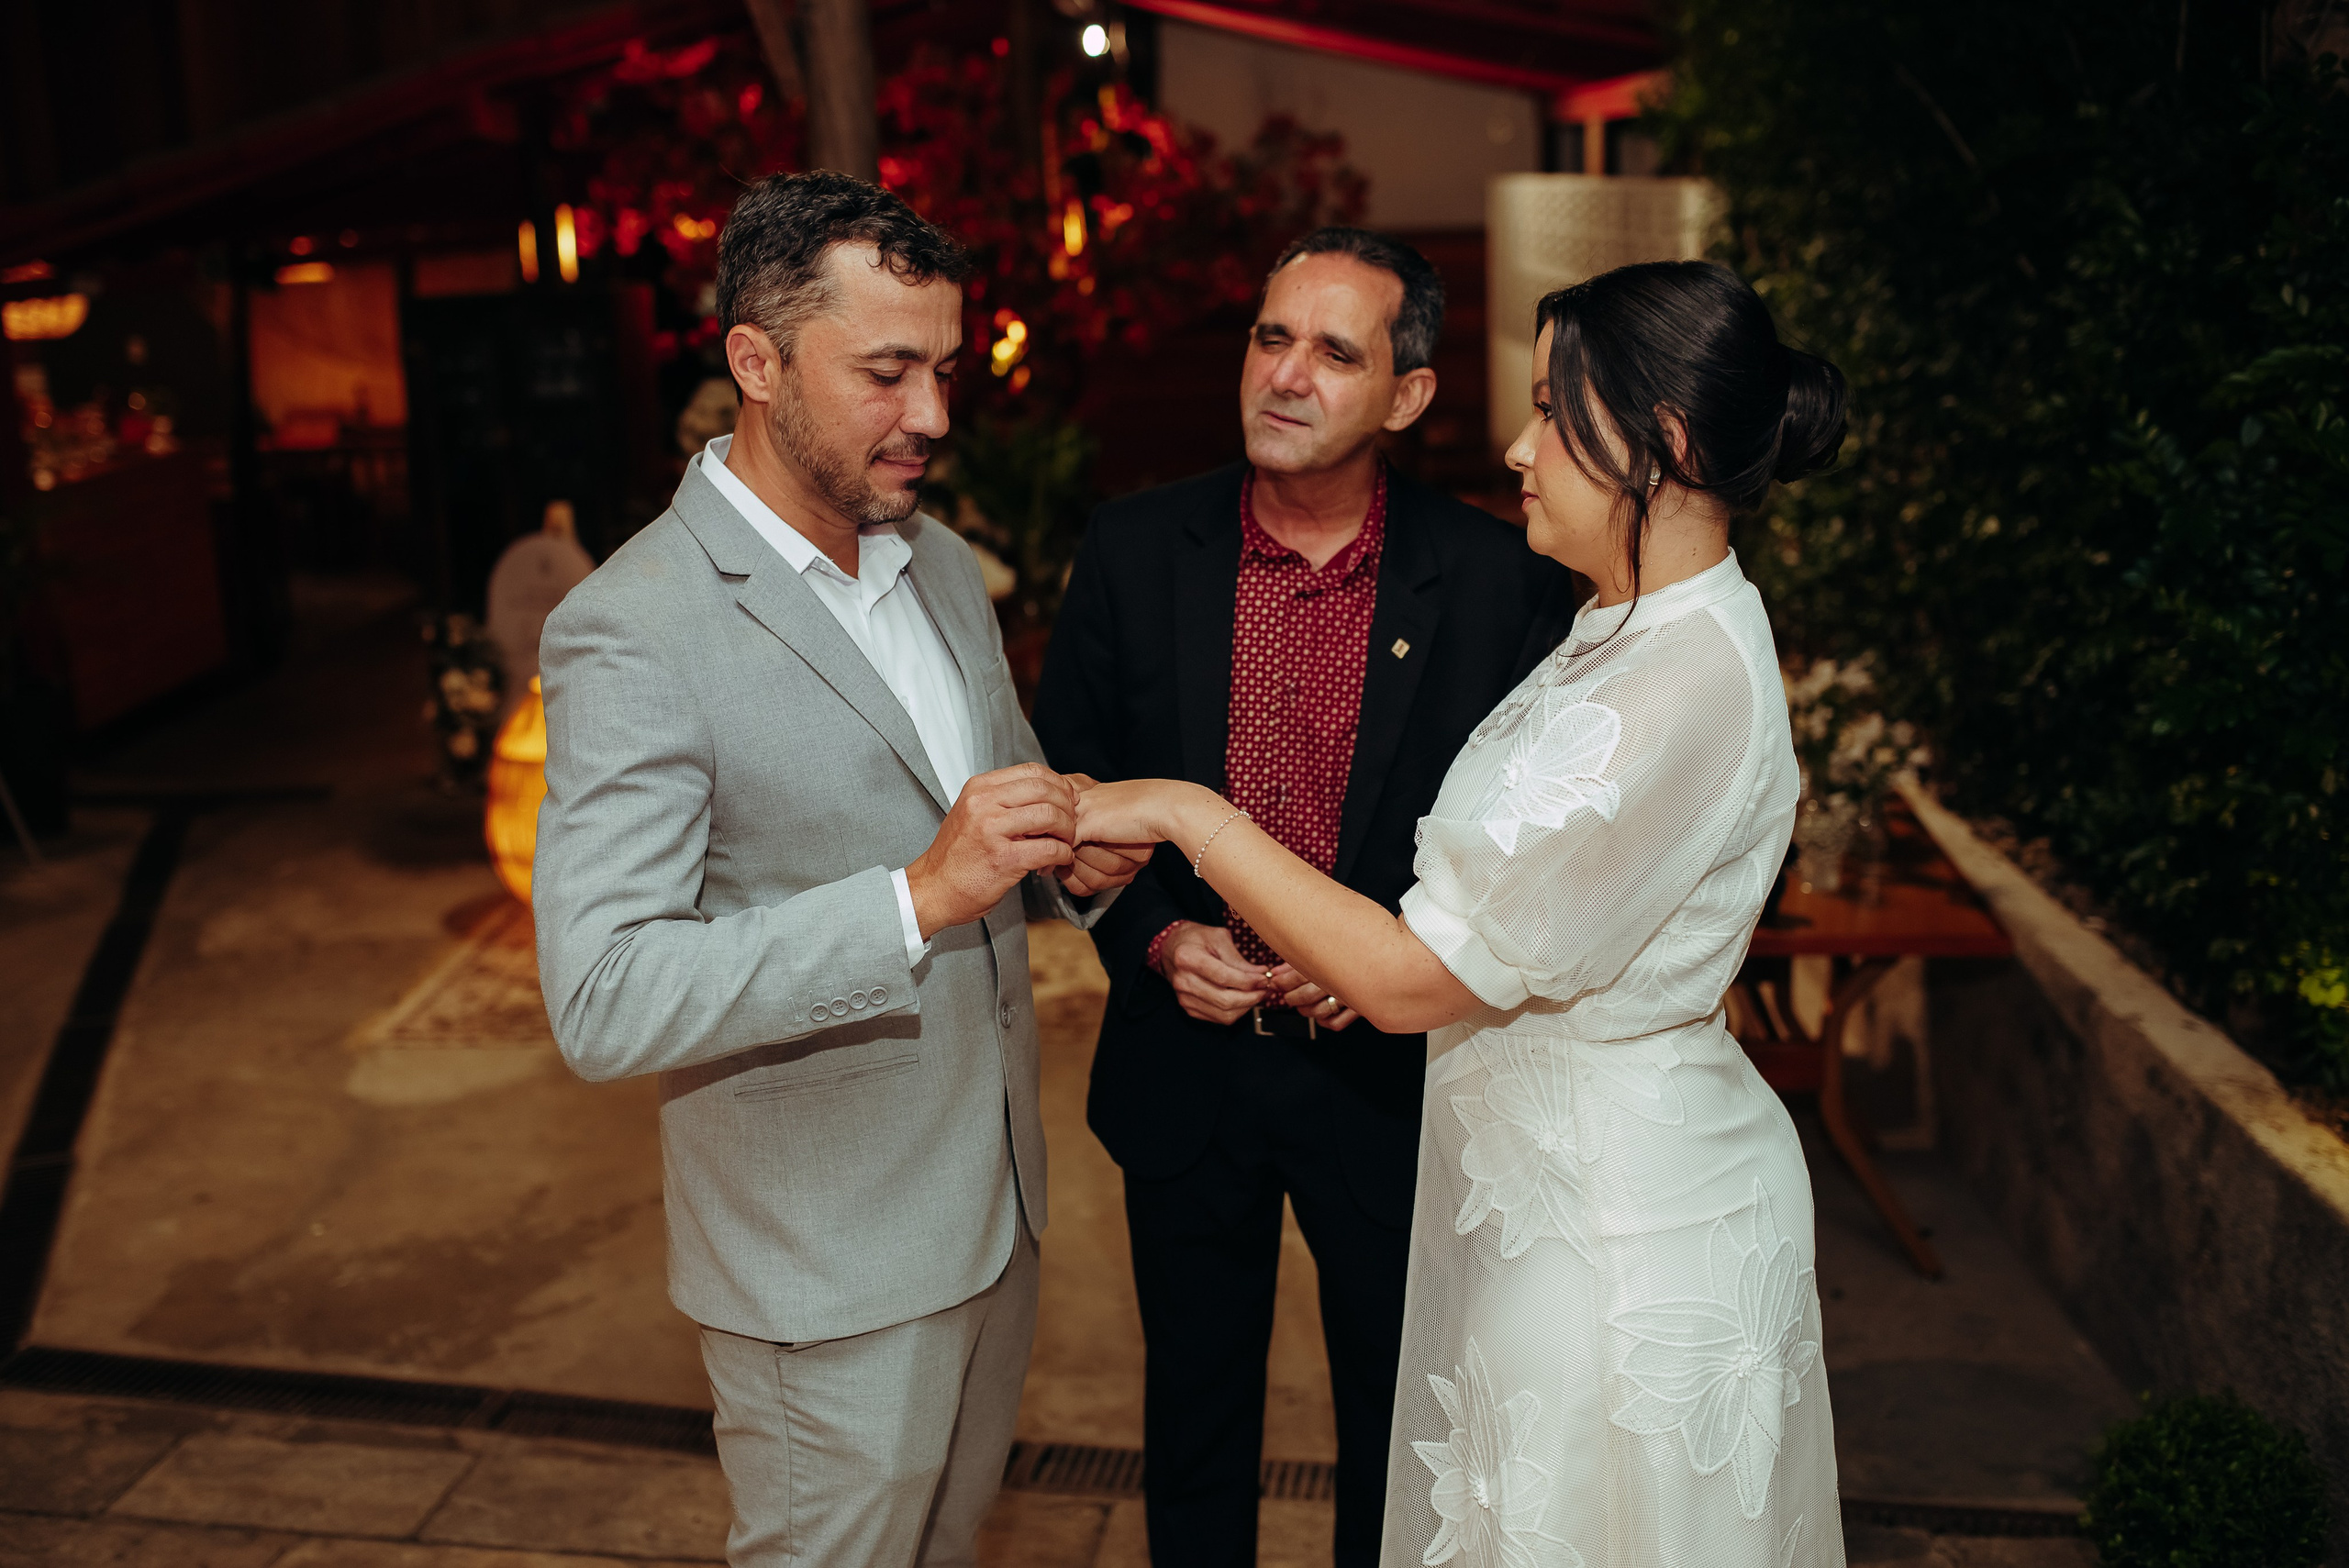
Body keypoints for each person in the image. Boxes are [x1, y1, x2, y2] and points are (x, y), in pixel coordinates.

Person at [1073, 260, 1851, 1567]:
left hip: (1616, 1238)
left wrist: (1191, 816)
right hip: (1541, 1196)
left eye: (1552, 412)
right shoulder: (1626, 626)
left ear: (1657, 443)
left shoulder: (1674, 679)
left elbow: (1415, 973)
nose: (1517, 446)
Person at [531, 172, 1147, 1568]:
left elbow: (996, 815)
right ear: (755, 360)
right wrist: (917, 895)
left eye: (944, 367)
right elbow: (607, 993)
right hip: (825, 1275)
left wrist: (1099, 871)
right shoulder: (629, 627)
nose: (932, 415)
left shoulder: (932, 564)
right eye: (887, 371)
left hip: (993, 1214)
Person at [1032, 228, 1575, 1566]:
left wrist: (1405, 954)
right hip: (1186, 1065)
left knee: (1402, 1438)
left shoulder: (1500, 580)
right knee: (1196, 1425)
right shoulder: (1136, 545)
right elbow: (1066, 785)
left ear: (1408, 394)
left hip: (1390, 1082)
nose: (1287, 373)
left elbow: (1524, 835)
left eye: (1337, 350)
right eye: (1273, 336)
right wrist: (1155, 938)